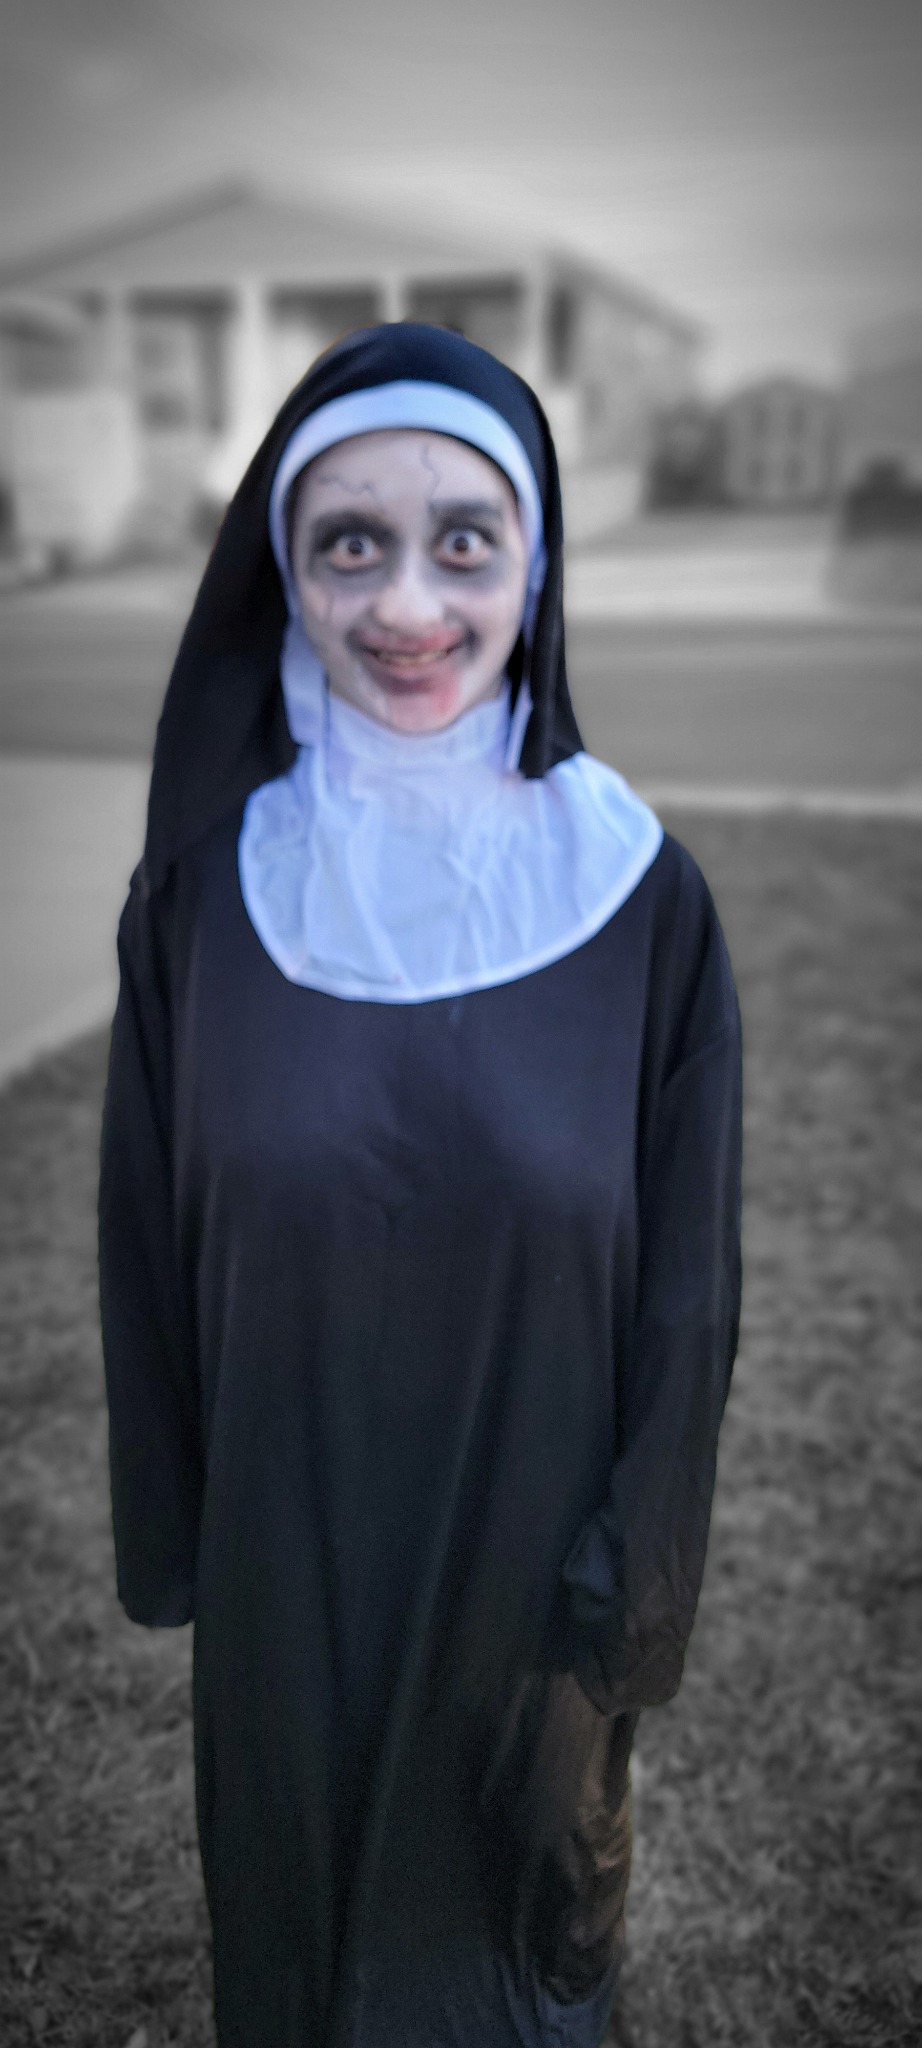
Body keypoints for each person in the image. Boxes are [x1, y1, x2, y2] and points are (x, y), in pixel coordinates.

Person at [98, 322, 742, 2048]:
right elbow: (145, 1247)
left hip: (529, 1617)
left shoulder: (642, 902)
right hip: (285, 1591)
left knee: (502, 1985)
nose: (405, 605)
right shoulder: (203, 900)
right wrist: (177, 1530)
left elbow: (690, 1302)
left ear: (536, 560)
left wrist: (635, 1581)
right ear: (283, 570)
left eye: (463, 541)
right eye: (348, 545)